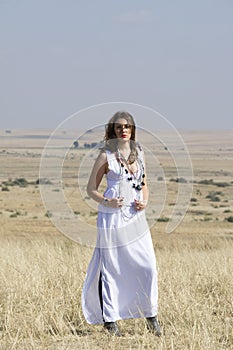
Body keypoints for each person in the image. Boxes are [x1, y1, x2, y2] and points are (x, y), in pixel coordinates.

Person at [81, 111, 161, 337]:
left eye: (127, 127)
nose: (123, 130)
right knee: (113, 268)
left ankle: (150, 314)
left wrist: (144, 201)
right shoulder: (106, 156)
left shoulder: (140, 153)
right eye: (118, 127)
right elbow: (90, 189)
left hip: (136, 218)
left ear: (132, 129)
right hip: (112, 218)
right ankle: (110, 320)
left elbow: (143, 183)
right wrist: (107, 201)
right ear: (113, 131)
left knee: (147, 266)